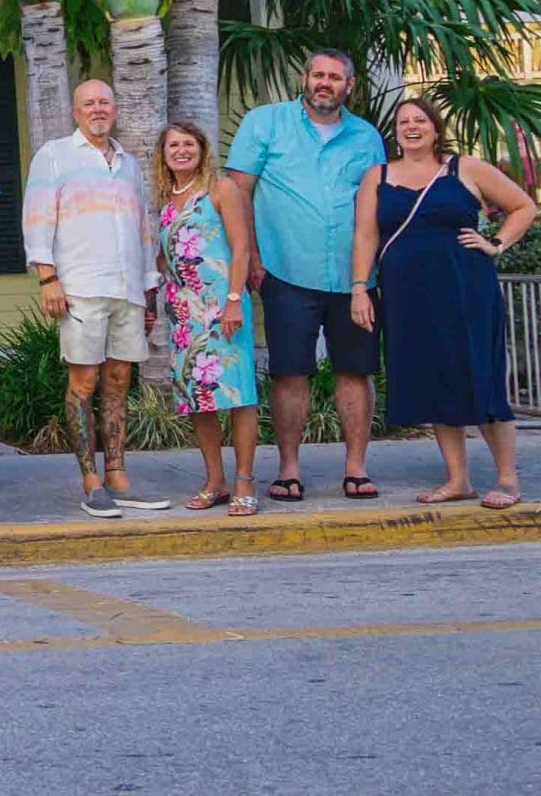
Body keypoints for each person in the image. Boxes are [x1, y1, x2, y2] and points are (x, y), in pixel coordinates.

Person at [351, 97, 532, 509]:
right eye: (403, 122)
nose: (412, 127)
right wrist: (360, 288)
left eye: (420, 120)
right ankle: (458, 479)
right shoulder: (376, 175)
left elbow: (524, 206)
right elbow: (364, 236)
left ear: (435, 127)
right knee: (434, 378)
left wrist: (496, 243)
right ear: (394, 132)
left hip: (465, 288)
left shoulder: (464, 168)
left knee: (480, 376)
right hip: (406, 294)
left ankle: (507, 478)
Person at [227, 50, 388, 501]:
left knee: (355, 372)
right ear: (305, 78)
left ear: (348, 86)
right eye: (318, 74)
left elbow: (375, 204)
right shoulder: (266, 123)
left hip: (355, 278)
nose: (325, 83)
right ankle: (288, 469)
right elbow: (238, 192)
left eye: (335, 77)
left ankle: (356, 467)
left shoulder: (366, 137)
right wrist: (252, 258)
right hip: (284, 269)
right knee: (289, 373)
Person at [23, 80, 169, 519]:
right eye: (89, 103)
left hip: (127, 289)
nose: (97, 109)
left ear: (115, 108)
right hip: (81, 287)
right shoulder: (55, 155)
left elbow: (144, 229)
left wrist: (149, 286)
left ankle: (118, 475)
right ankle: (91, 481)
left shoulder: (128, 164)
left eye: (104, 102)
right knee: (83, 385)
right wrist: (48, 277)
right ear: (75, 111)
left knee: (120, 382)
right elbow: (37, 216)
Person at [153, 122, 261, 518]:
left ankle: (245, 481)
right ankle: (214, 480)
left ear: (202, 149)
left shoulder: (221, 189)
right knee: (200, 400)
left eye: (188, 144)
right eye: (173, 146)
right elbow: (166, 258)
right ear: (163, 155)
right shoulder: (168, 199)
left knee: (237, 393)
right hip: (183, 312)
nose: (181, 151)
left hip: (222, 305)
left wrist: (233, 300)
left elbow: (241, 247)